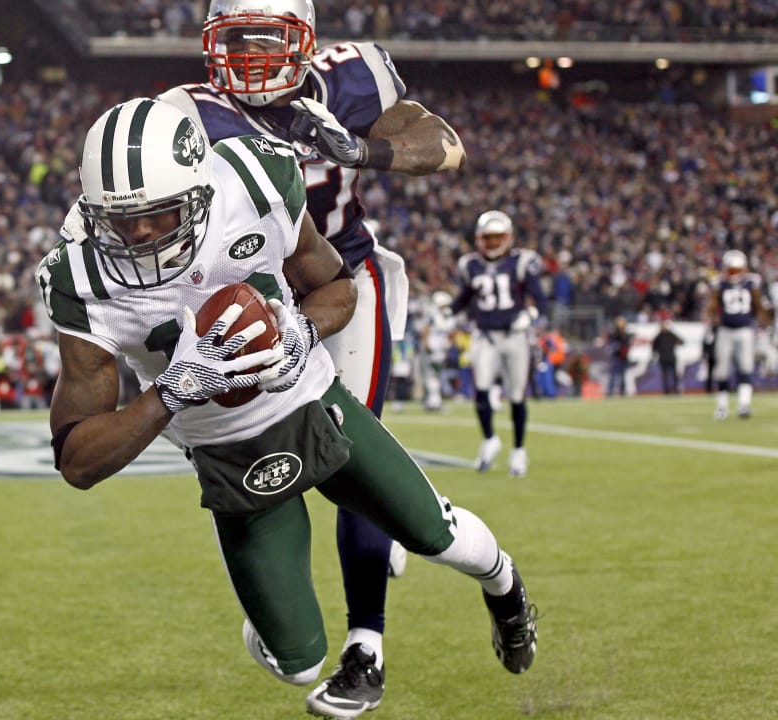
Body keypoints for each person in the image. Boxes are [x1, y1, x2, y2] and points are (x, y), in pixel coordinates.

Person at [43, 98, 537, 720]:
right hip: (228, 455)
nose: (139, 235)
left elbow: (337, 286)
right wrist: (172, 390)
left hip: (312, 400)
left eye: (158, 214)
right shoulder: (82, 275)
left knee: (434, 535)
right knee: (298, 662)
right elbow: (78, 460)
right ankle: (271, 618)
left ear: (199, 189)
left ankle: (506, 588)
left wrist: (299, 330)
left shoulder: (252, 181)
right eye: (122, 219)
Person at [137, 4, 468, 707]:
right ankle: (300, 600)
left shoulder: (353, 79)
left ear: (305, 41)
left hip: (343, 283)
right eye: (236, 38)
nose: (253, 53)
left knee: (348, 452)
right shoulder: (184, 113)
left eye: (269, 37)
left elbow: (445, 147)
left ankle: (365, 648)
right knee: (258, 466)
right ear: (210, 41)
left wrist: (359, 151)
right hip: (251, 303)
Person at [450, 211, 548, 478]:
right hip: (485, 335)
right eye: (488, 238)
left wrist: (528, 316)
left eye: (497, 238)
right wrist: (449, 311)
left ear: (508, 238)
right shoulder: (469, 265)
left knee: (517, 395)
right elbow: (465, 297)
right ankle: (490, 439)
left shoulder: (521, 262)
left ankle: (518, 450)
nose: (493, 244)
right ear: (479, 239)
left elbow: (540, 300)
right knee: (481, 390)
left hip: (515, 336)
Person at [707, 250, 771, 419]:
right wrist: (710, 318)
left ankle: (744, 405)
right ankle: (722, 407)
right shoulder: (719, 284)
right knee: (722, 370)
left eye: (736, 270)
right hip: (725, 330)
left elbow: (758, 305)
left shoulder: (752, 282)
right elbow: (712, 306)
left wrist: (763, 321)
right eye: (730, 270)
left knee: (745, 368)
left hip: (745, 330)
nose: (733, 274)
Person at [420, 290, 456, 412]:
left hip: (439, 349)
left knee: (435, 374)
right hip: (433, 348)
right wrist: (426, 344)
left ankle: (433, 400)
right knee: (433, 374)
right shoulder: (433, 315)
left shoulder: (444, 316)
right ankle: (434, 401)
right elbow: (426, 330)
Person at [651, 318, 684, 395]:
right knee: (665, 376)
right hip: (663, 358)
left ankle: (676, 390)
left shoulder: (671, 334)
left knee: (675, 376)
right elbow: (654, 347)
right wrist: (655, 354)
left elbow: (682, 341)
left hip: (671, 357)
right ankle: (667, 392)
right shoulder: (659, 336)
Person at [605, 316, 632, 398]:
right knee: (613, 374)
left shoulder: (625, 333)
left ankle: (622, 391)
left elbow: (626, 343)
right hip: (616, 356)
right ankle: (610, 391)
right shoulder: (614, 333)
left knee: (623, 375)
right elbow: (611, 340)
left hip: (623, 356)